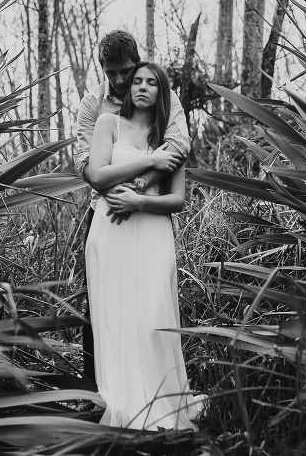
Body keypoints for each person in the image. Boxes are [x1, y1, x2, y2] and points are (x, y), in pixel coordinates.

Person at [84, 62, 201, 430]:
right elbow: (97, 173)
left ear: (162, 92)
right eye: (137, 81)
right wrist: (151, 160)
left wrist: (139, 202)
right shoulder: (109, 124)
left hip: (153, 233)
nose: (143, 88)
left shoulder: (172, 137)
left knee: (152, 317)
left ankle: (161, 402)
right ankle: (121, 403)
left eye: (152, 83)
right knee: (115, 318)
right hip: (110, 232)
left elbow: (178, 200)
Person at [74, 31, 190, 382]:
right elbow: (87, 167)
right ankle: (97, 390)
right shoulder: (94, 105)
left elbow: (177, 145)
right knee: (101, 305)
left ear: (137, 61)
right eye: (113, 73)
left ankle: (149, 381)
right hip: (105, 211)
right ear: (103, 69)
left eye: (127, 71)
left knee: (150, 303)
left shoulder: (165, 100)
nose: (122, 81)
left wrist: (136, 194)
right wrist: (117, 191)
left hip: (147, 213)